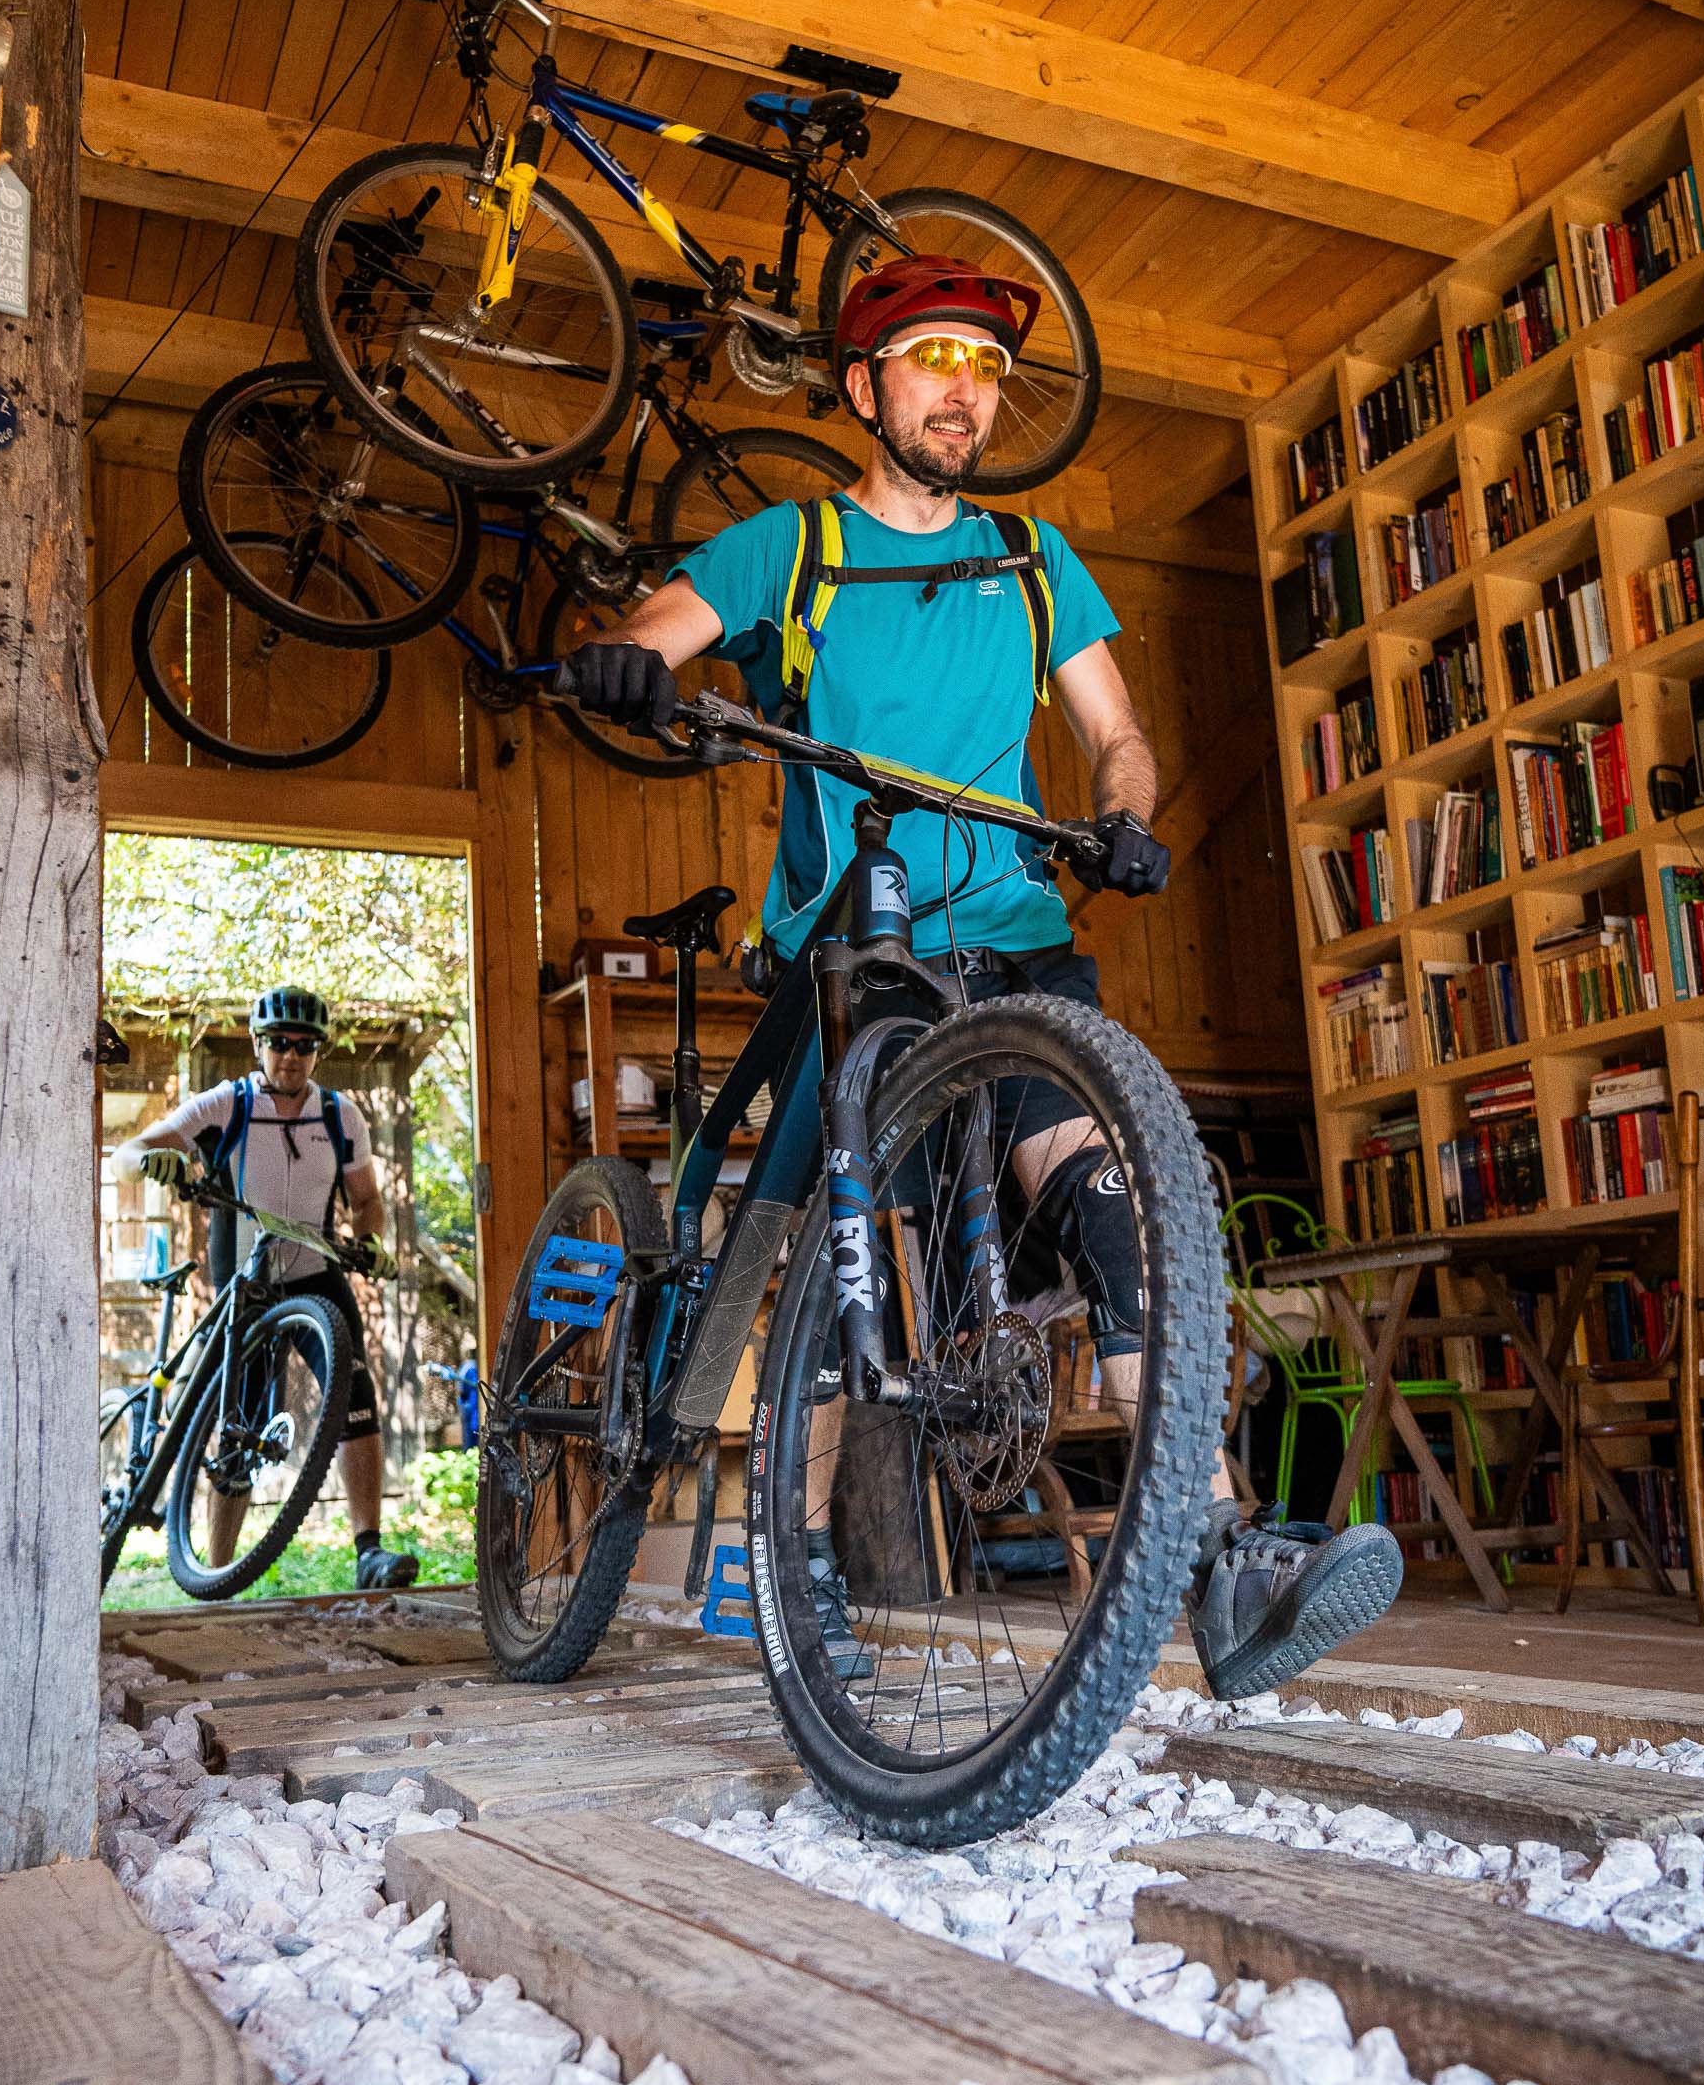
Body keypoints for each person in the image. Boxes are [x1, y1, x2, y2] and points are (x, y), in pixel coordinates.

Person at [563, 254, 1402, 1699]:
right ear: (863, 386)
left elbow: (1116, 736)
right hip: (852, 949)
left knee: (1113, 1194)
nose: (963, 389)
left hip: (1009, 938)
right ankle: (789, 1569)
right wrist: (632, 663)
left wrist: (1125, 812)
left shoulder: (1030, 559)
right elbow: (654, 633)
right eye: (932, 358)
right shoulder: (791, 545)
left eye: (985, 367)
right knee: (824, 1251)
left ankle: (1223, 1558)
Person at [114, 984, 418, 1591]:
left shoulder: (340, 1116)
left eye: (305, 1046)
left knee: (357, 1400)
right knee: (240, 1428)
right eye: (279, 1042)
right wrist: (150, 1161)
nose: (291, 1056)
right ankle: (215, 1574)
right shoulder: (227, 1105)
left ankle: (369, 1553)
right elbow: (127, 1152)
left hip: (317, 1276)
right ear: (258, 1044)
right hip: (247, 1287)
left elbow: (367, 1200)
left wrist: (372, 1242)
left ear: (318, 1052)